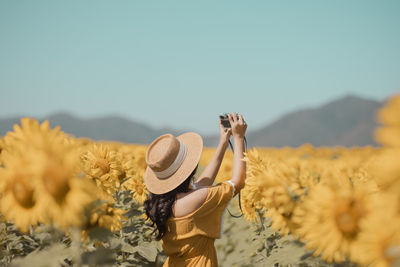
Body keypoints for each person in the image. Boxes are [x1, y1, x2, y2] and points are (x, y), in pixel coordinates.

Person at [143, 113, 247, 267]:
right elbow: (238, 182)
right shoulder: (197, 199)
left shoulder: (162, 202)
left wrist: (223, 143)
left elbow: (201, 185)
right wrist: (239, 139)